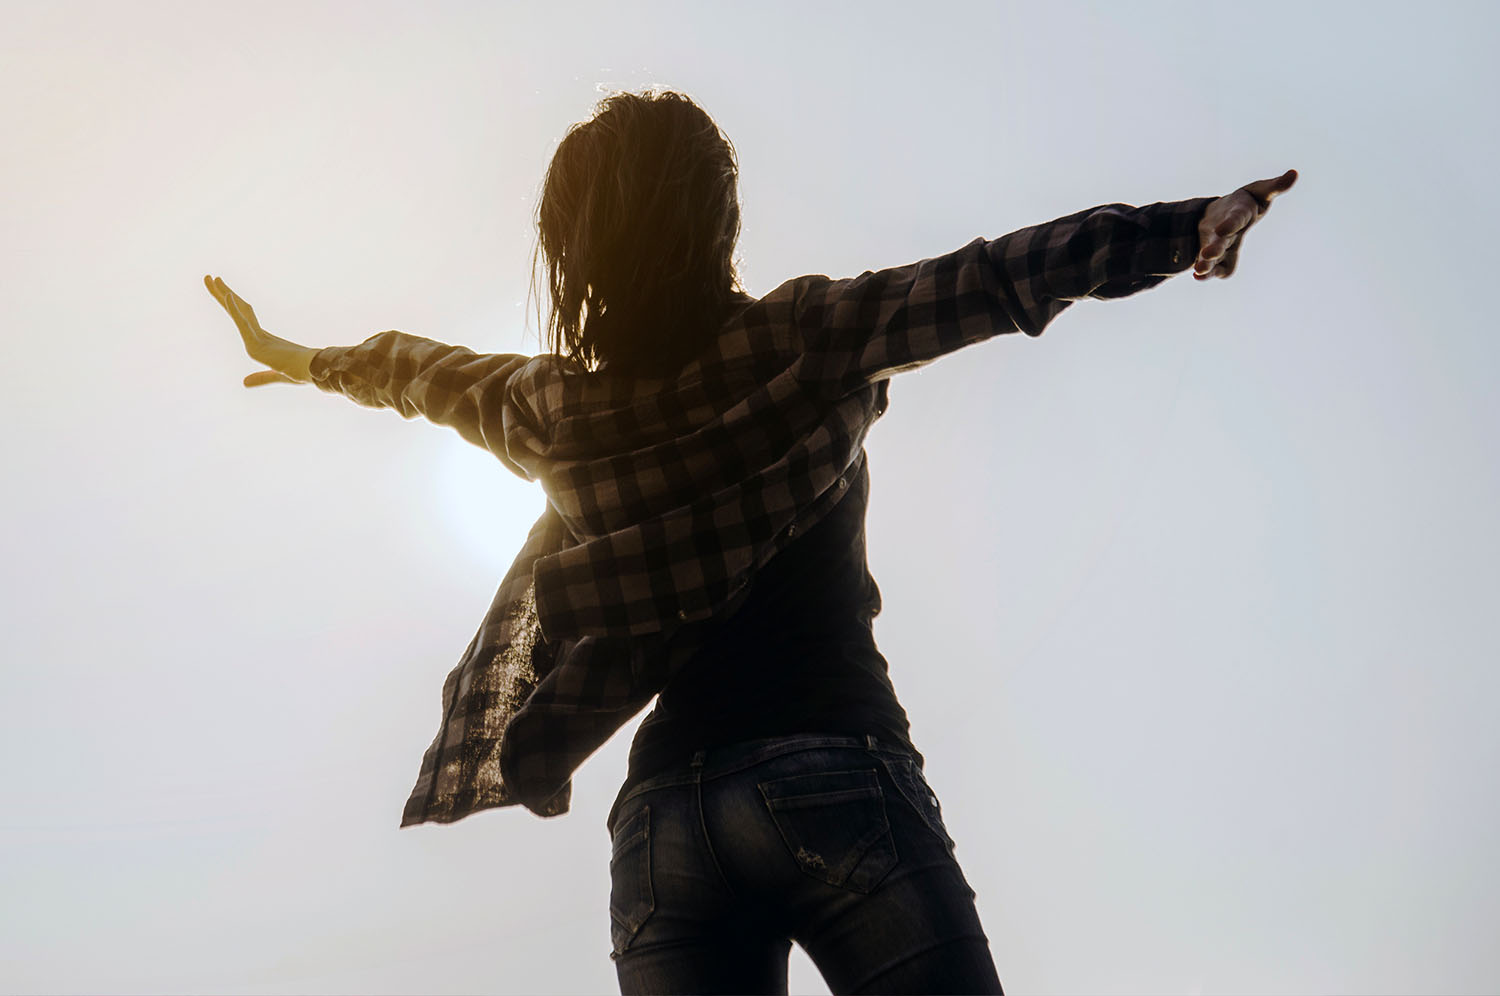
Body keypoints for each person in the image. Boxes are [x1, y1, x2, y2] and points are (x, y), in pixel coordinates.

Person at [205, 88, 1297, 996]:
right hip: (830, 765)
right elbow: (991, 277)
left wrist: (302, 359)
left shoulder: (553, 412)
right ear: (718, 221)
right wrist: (1180, 226)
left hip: (664, 827)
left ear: (571, 248)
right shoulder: (805, 337)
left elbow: (421, 373)